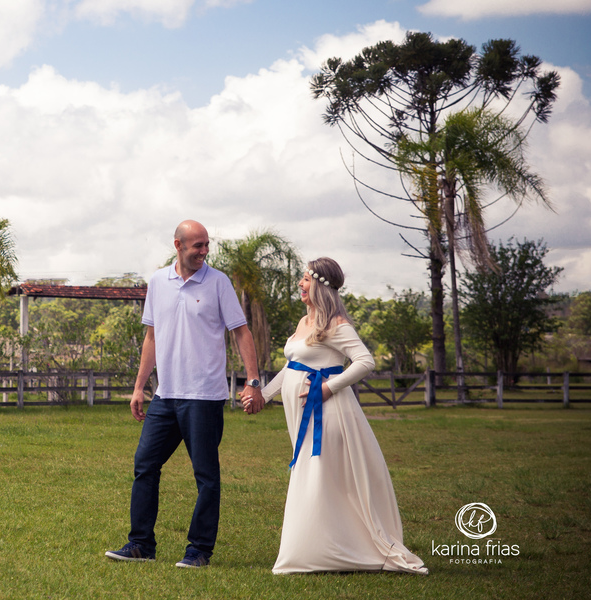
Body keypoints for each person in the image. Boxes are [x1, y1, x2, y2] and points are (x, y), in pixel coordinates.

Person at [250, 257, 427, 575]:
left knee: (317, 476)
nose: (300, 285)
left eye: (305, 279)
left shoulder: (337, 324)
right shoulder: (306, 322)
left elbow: (365, 361)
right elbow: (292, 367)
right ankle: (327, 547)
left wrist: (328, 388)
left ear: (319, 284)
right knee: (320, 479)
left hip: (327, 415)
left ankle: (310, 553)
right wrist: (264, 395)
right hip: (303, 413)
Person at [105, 220, 265, 568]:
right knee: (145, 465)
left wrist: (253, 381)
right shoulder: (158, 282)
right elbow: (152, 337)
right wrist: (139, 387)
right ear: (178, 244)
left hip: (204, 396)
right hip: (165, 395)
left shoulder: (218, 282)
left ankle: (199, 550)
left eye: (207, 245)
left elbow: (240, 332)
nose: (204, 251)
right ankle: (141, 544)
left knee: (206, 475)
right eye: (197, 246)